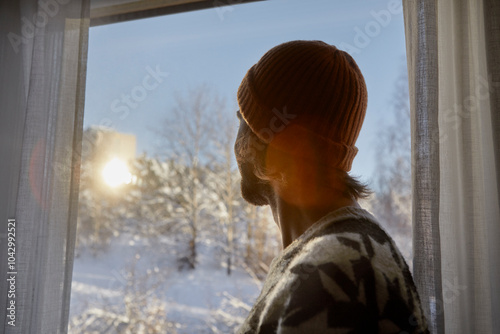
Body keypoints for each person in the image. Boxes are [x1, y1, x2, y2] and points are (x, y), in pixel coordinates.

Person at [234, 40, 428, 333]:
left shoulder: (331, 275)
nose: (235, 143)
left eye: (243, 118)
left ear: (273, 142)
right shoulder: (347, 248)